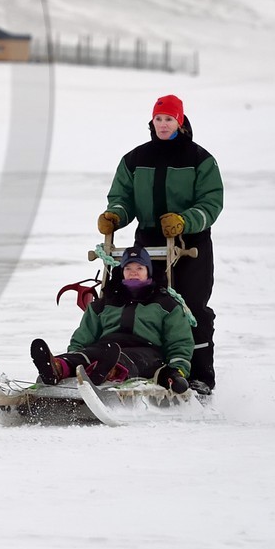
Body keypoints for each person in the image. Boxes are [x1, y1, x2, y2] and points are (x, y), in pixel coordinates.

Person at [96, 94, 223, 393]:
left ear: (179, 121)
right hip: (149, 240)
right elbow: (122, 197)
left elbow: (211, 202)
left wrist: (185, 220)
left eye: (169, 119)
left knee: (190, 308)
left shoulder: (200, 160)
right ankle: (134, 364)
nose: (163, 124)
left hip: (190, 243)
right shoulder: (135, 159)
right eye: (159, 119)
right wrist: (115, 215)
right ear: (152, 122)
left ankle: (200, 376)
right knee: (139, 300)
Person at [31, 245, 195, 392]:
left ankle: (108, 371)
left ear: (148, 272)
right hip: (106, 348)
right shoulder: (103, 304)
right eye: (128, 268)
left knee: (121, 358)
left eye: (139, 268)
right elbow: (83, 336)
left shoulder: (166, 305)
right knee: (86, 355)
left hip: (147, 353)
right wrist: (76, 352)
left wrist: (176, 370)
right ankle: (57, 368)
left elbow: (179, 342)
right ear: (122, 272)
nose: (133, 272)